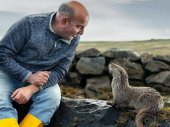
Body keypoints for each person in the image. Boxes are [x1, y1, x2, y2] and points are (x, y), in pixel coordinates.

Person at [0, 0, 89, 127]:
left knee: (52, 97)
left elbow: (61, 71)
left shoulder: (74, 37)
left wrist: (32, 88)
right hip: (8, 75)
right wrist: (29, 76)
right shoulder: (29, 24)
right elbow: (2, 54)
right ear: (64, 21)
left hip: (41, 81)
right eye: (79, 26)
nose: (81, 33)